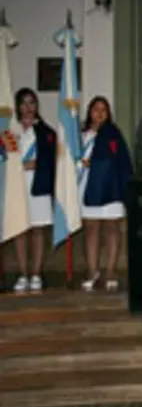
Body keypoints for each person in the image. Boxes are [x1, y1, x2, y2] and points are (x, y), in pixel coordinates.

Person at [78, 96, 134, 292]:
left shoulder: (113, 134)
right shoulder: (81, 134)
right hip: (87, 188)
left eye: (104, 110)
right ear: (89, 112)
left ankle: (111, 270)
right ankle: (92, 270)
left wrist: (99, 165)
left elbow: (121, 162)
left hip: (111, 189)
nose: (100, 113)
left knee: (112, 228)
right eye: (96, 109)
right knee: (91, 229)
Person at [11, 88, 56, 294]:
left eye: (32, 103)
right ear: (18, 106)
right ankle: (22, 273)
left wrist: (36, 164)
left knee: (38, 230)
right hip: (17, 187)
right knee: (21, 230)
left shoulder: (46, 132)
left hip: (38, 187)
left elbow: (51, 161)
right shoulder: (10, 131)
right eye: (24, 103)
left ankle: (36, 273)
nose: (28, 108)